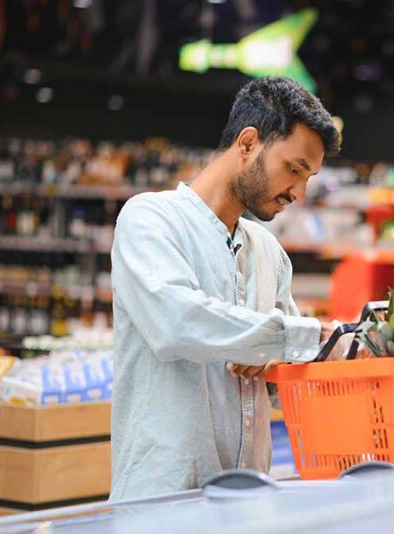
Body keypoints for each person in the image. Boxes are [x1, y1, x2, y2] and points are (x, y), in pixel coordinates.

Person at [109, 76, 341, 501]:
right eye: (294, 169)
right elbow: (177, 322)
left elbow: (283, 360)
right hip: (164, 507)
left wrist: (280, 361)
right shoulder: (150, 219)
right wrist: (296, 338)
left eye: (308, 177)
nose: (298, 193)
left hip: (248, 501)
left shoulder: (269, 252)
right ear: (248, 143)